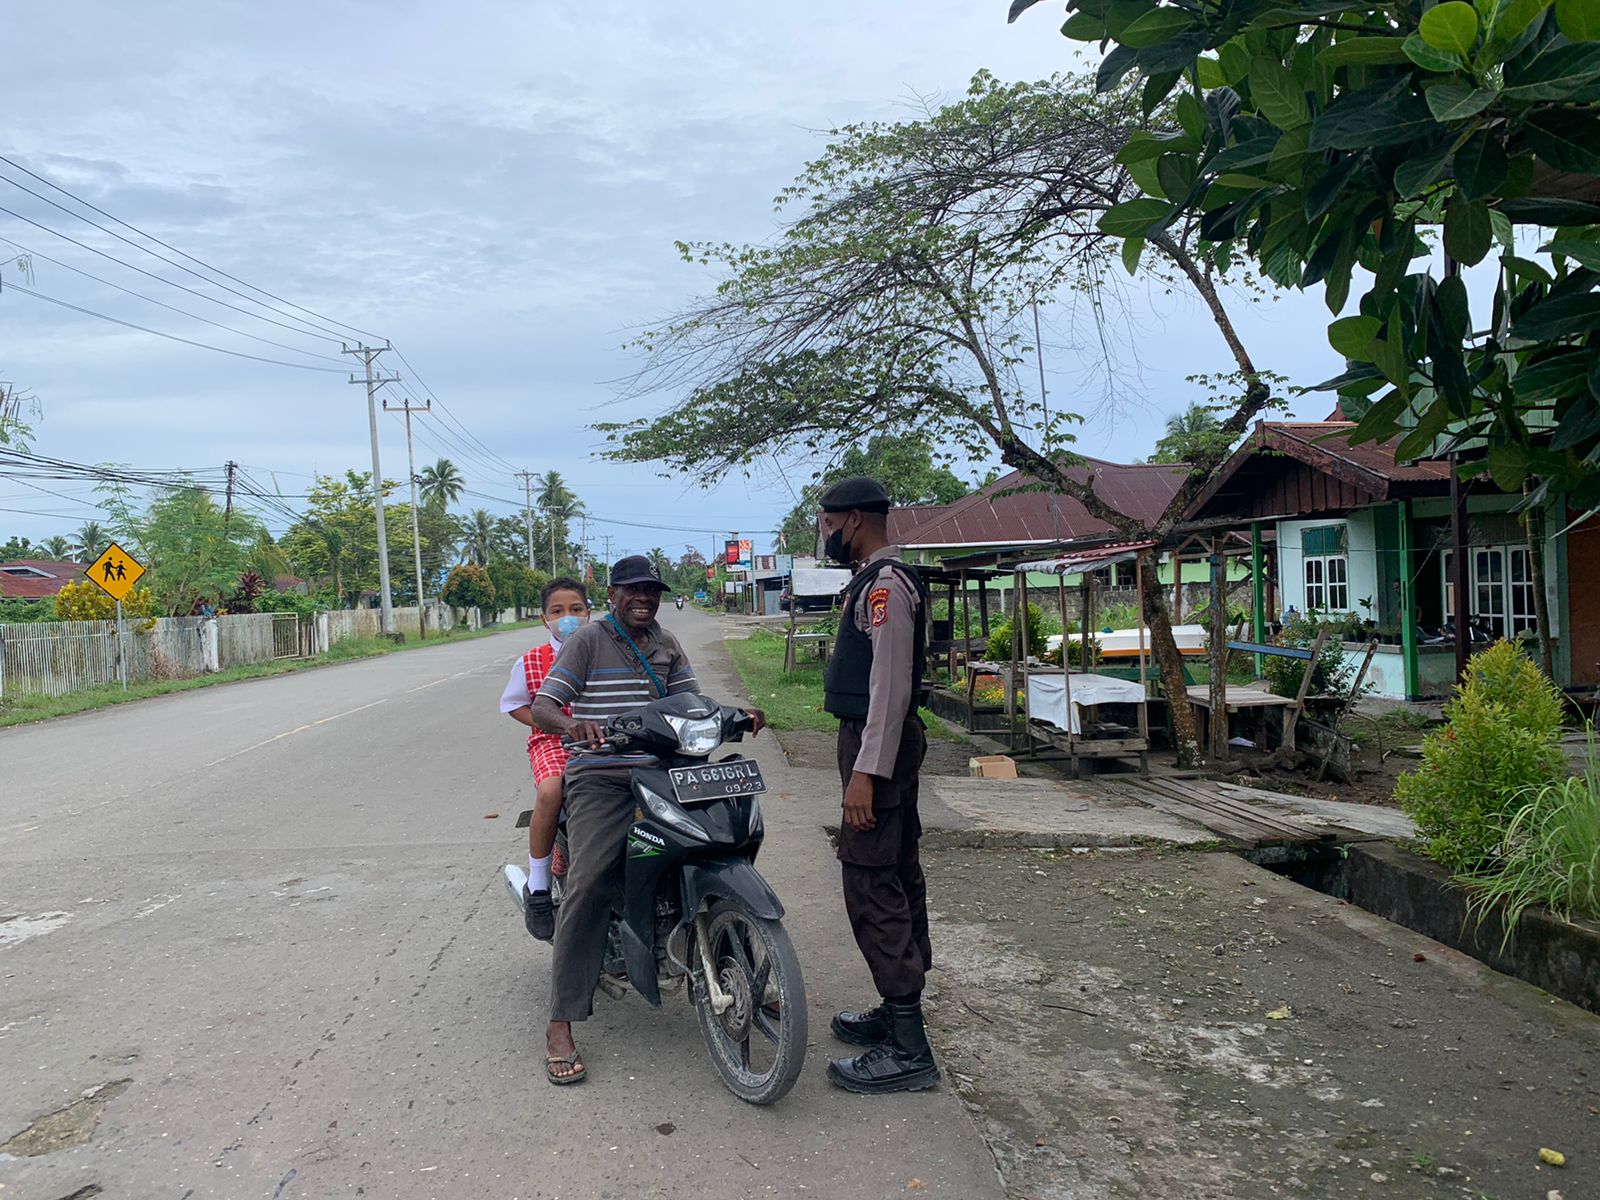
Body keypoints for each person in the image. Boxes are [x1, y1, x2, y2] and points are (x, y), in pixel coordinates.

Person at [528, 555, 764, 1086]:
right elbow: (545, 706)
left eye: (651, 590)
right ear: (612, 594)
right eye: (633, 589)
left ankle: (741, 958)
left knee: (723, 842)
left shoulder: (667, 643)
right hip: (604, 775)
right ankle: (561, 1021)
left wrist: (736, 714)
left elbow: (693, 701)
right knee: (589, 881)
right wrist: (575, 726)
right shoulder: (587, 640)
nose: (644, 598)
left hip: (669, 770)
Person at [816, 476, 940, 1094]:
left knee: (871, 879)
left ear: (856, 520)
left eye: (828, 523)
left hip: (876, 745)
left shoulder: (886, 586)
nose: (826, 534)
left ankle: (909, 1049)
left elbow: (889, 689)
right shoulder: (872, 580)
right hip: (876, 742)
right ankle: (896, 1015)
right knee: (894, 869)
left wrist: (865, 773)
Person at [499, 576, 593, 941]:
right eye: (558, 611)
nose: (567, 617)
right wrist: (550, 724)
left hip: (603, 741)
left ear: (589, 613)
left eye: (575, 610)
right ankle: (538, 887)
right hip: (552, 742)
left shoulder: (602, 650)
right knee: (551, 791)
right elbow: (514, 705)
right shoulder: (532, 661)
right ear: (544, 619)